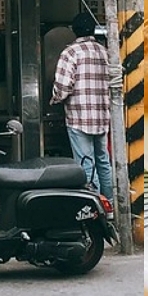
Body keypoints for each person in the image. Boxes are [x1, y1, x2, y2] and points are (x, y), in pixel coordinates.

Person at [50, 12, 114, 201]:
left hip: (79, 118)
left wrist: (55, 99)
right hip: (102, 118)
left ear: (74, 31)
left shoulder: (70, 52)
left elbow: (63, 87)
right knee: (103, 162)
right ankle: (110, 204)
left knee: (86, 163)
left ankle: (95, 206)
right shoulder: (105, 52)